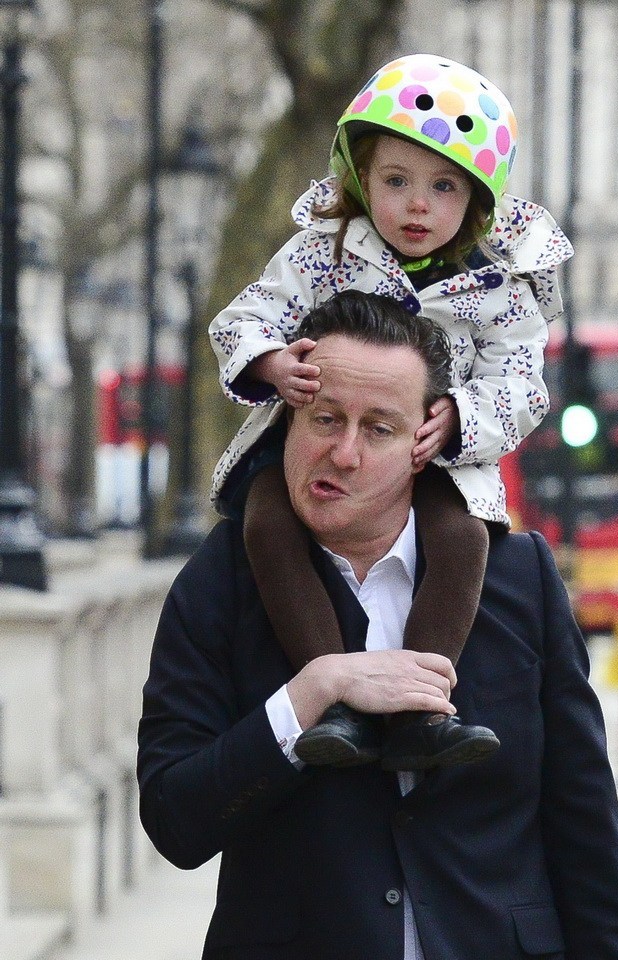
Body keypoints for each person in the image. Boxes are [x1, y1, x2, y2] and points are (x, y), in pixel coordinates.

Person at [138, 292, 618, 960]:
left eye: (377, 429)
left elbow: (583, 823)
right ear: (287, 419)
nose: (342, 454)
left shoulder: (517, 576)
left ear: (421, 445)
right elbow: (176, 822)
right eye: (324, 419)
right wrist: (309, 695)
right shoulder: (218, 581)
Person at [207, 54, 573, 769]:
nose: (416, 205)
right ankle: (338, 703)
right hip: (320, 446)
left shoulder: (498, 286)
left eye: (443, 188)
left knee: (461, 541)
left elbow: (524, 384)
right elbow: (247, 314)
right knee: (266, 524)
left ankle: (420, 709)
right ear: (359, 180)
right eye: (395, 181)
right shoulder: (323, 249)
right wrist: (270, 361)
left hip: (433, 453)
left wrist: (463, 415)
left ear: (475, 201)